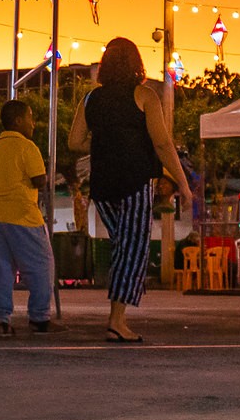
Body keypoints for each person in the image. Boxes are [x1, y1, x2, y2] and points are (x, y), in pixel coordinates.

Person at [69, 38, 192, 343]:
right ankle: (116, 320)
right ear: (136, 63)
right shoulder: (145, 96)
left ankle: (118, 316)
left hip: (103, 186)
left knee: (124, 247)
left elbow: (74, 142)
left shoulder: (91, 99)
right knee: (132, 250)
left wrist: (103, 143)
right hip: (136, 183)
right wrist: (184, 184)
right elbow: (162, 143)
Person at [0, 99, 55, 336]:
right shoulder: (27, 147)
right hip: (22, 215)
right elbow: (39, 180)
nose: (33, 124)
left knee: (2, 270)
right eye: (30, 117)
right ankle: (39, 317)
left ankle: (0, 320)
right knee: (42, 266)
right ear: (18, 120)